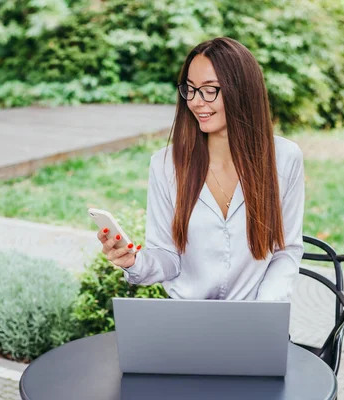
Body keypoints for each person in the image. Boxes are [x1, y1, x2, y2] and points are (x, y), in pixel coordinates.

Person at [97, 37, 304, 301]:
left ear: (241, 90)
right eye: (191, 89)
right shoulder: (165, 165)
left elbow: (286, 251)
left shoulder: (284, 159)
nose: (195, 102)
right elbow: (168, 257)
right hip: (187, 323)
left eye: (209, 90)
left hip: (257, 323)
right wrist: (133, 261)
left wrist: (262, 314)